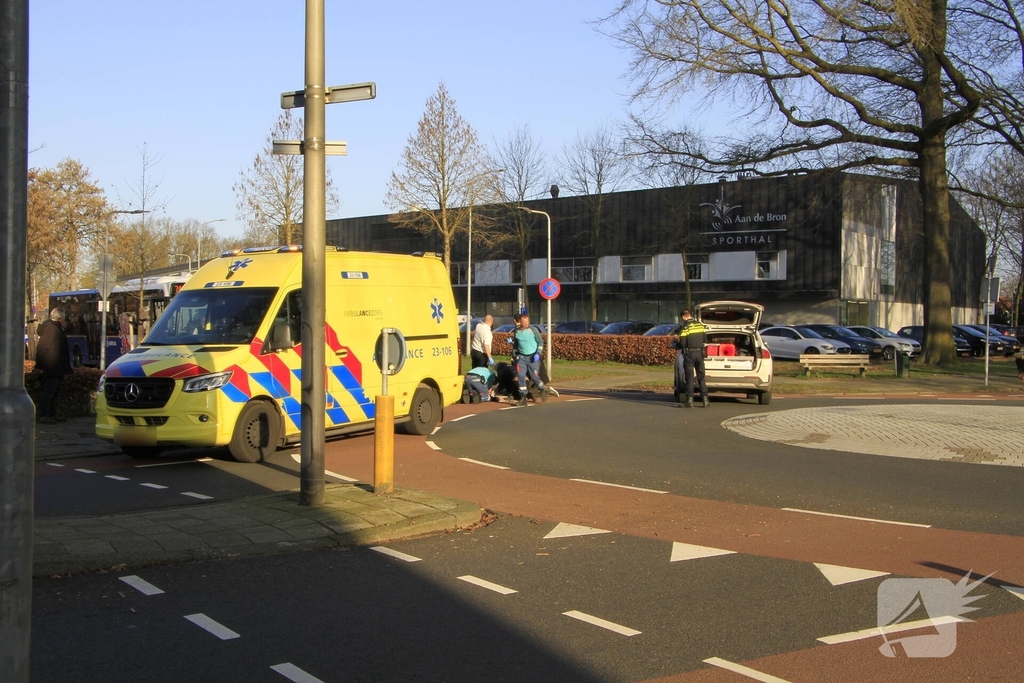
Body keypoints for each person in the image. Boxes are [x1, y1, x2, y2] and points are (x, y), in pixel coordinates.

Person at [35, 307, 73, 423]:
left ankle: (51, 413)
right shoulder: (52, 329)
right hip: (52, 366)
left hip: (55, 366)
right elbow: (43, 347)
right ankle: (44, 414)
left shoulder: (53, 328)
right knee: (49, 391)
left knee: (54, 391)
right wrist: (39, 366)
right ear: (61, 319)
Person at [510, 313, 550, 406]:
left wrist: (538, 353)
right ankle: (523, 397)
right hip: (522, 358)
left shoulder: (533, 330)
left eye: (527, 321)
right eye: (524, 322)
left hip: (532, 357)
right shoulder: (517, 331)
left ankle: (542, 388)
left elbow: (540, 342)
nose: (526, 323)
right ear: (520, 322)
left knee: (535, 376)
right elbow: (516, 345)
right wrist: (514, 356)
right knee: (521, 376)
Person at [674, 309, 709, 408]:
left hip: (689, 354)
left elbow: (683, 343)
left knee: (689, 378)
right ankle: (705, 400)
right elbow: (705, 340)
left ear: (683, 317)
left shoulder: (685, 327)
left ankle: (689, 401)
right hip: (700, 353)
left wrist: (678, 342)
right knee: (701, 377)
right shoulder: (700, 325)